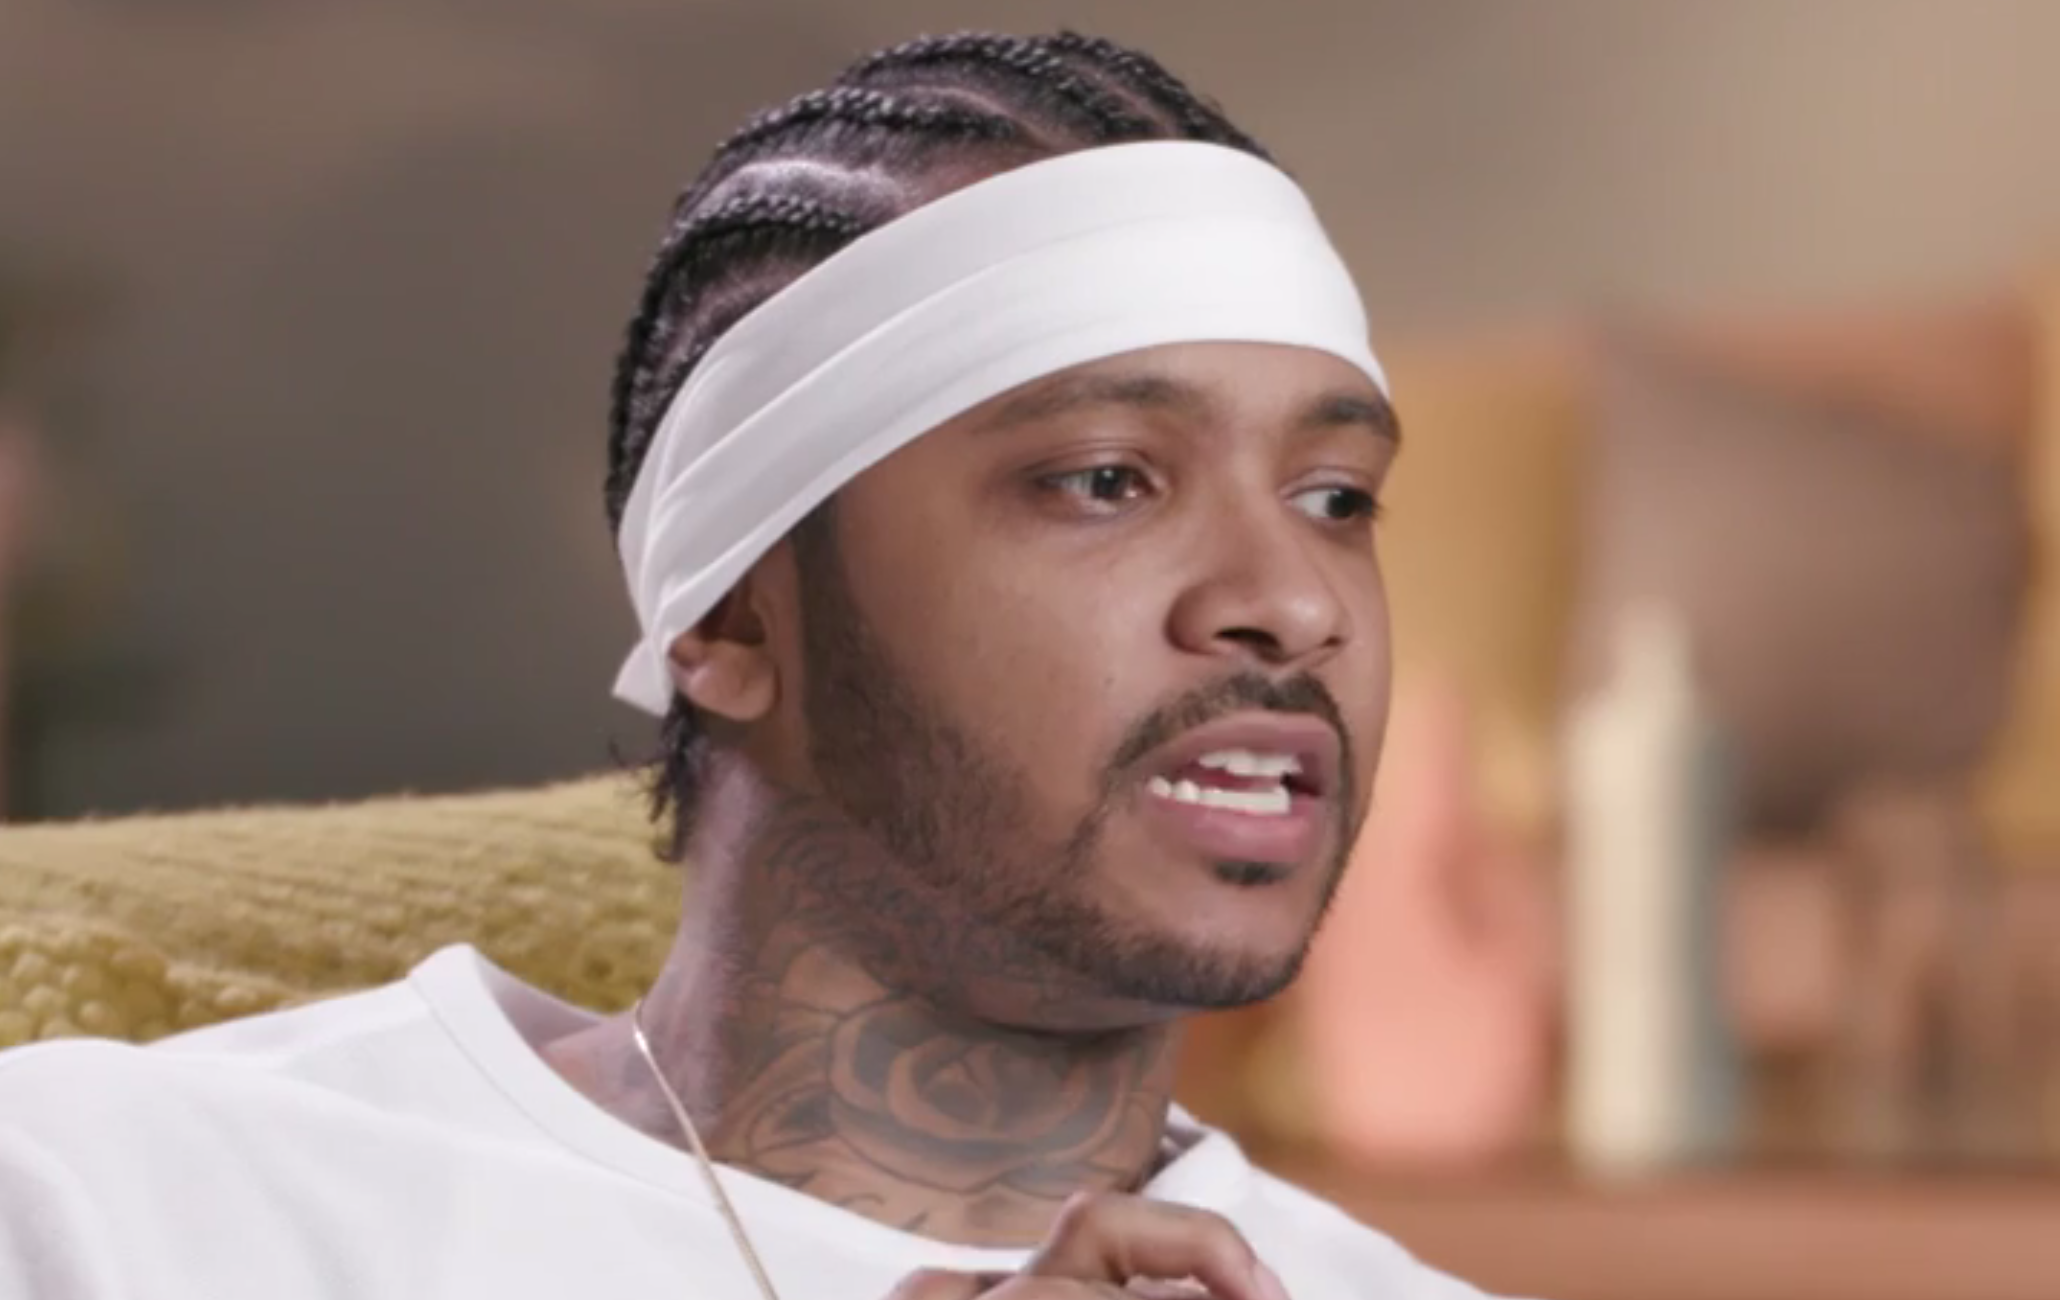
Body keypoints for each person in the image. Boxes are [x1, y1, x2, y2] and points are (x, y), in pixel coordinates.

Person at [0, 29, 1529, 1300]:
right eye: (1106, 480)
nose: (1292, 601)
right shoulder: (118, 1206)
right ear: (730, 616)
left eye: (1338, 500)